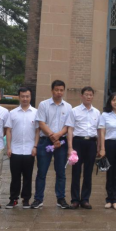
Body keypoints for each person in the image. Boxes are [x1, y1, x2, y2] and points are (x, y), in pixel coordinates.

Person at [31, 80, 74, 210]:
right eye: (56, 90)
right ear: (52, 90)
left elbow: (68, 125)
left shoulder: (68, 107)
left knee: (61, 172)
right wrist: (52, 136)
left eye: (61, 90)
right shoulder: (43, 105)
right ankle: (38, 199)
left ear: (64, 91)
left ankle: (61, 198)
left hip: (61, 142)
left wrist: (58, 135)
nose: (59, 92)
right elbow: (41, 123)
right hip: (45, 141)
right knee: (41, 172)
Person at [5, 87, 38, 209]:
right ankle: (13, 199)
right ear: (19, 97)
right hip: (16, 150)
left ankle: (26, 199)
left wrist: (35, 146)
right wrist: (9, 147)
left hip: (29, 150)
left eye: (27, 96)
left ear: (30, 97)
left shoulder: (36, 113)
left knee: (28, 176)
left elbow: (38, 131)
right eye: (22, 96)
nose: (25, 98)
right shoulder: (12, 113)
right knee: (15, 176)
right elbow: (8, 130)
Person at [67, 86, 100, 209]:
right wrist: (70, 147)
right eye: (86, 94)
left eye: (91, 95)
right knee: (76, 172)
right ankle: (75, 199)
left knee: (88, 172)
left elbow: (99, 131)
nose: (88, 97)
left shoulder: (97, 112)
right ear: (81, 96)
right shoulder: (74, 111)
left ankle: (85, 199)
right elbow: (70, 129)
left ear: (93, 96)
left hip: (91, 143)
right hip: (78, 142)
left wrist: (99, 147)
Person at [98, 92, 116, 210]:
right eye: (114, 100)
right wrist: (102, 148)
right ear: (110, 102)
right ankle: (109, 199)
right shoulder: (105, 115)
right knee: (109, 172)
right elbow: (102, 132)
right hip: (109, 144)